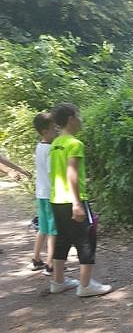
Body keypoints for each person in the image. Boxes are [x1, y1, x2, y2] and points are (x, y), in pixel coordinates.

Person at [49, 102, 112, 297]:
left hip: (57, 199)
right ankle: (85, 285)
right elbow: (71, 172)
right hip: (72, 200)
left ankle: (58, 281)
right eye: (78, 116)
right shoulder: (74, 143)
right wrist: (77, 203)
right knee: (86, 239)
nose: (80, 119)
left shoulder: (56, 143)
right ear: (71, 118)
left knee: (62, 239)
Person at [30, 112, 58, 274]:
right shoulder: (50, 149)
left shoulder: (39, 146)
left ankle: (36, 259)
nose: (57, 131)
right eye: (54, 128)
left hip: (41, 193)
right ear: (45, 131)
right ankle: (50, 264)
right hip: (50, 194)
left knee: (43, 227)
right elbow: (51, 173)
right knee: (54, 230)